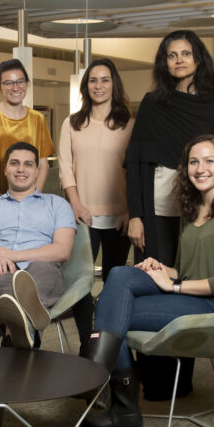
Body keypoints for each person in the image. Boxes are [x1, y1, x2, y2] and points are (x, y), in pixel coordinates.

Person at [82, 134, 214, 427]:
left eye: (209, 161)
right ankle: (115, 398)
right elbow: (188, 270)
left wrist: (173, 287)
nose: (200, 168)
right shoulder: (193, 208)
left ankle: (112, 396)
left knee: (112, 313)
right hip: (192, 295)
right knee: (120, 276)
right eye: (193, 162)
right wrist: (164, 269)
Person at [123, 29, 214, 400]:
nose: (179, 61)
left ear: (198, 58)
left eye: (186, 54)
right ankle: (152, 378)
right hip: (154, 204)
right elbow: (137, 160)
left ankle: (180, 379)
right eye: (172, 55)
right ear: (164, 62)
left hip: (198, 204)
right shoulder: (154, 102)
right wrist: (136, 214)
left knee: (187, 287)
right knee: (152, 282)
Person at [58, 57, 134, 356]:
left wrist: (131, 210)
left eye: (104, 79)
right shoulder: (72, 123)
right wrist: (75, 203)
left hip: (121, 216)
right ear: (85, 86)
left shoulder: (129, 123)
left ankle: (111, 347)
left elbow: (134, 171)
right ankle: (87, 346)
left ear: (114, 84)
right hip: (83, 214)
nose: (98, 85)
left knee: (115, 284)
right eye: (93, 80)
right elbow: (65, 167)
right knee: (80, 283)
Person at [0, 142, 76, 349]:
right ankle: (28, 328)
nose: (21, 169)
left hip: (41, 267)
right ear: (5, 169)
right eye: (15, 163)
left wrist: (13, 255)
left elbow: (62, 250)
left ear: (37, 171)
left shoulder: (58, 204)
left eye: (28, 164)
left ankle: (13, 335)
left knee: (39, 273)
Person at [0, 59, 55, 203]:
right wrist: (0, 201)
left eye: (20, 81)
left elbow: (43, 165)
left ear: (27, 84)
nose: (15, 88)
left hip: (28, 201)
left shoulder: (37, 118)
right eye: (8, 83)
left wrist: (33, 198)